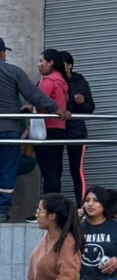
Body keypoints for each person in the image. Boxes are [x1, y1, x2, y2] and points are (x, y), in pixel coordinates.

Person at [0, 38, 67, 223]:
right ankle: (1, 211)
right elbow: (34, 95)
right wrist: (56, 109)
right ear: (2, 53)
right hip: (9, 131)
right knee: (7, 171)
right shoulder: (13, 72)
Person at [24, 50, 70, 217]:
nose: (38, 64)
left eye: (41, 61)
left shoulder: (48, 81)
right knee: (55, 171)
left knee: (48, 171)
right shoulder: (62, 82)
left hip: (45, 130)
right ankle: (56, 211)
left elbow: (41, 101)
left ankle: (47, 212)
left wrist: (32, 108)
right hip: (59, 130)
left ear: (51, 63)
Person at [59, 51, 94, 207]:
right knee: (55, 170)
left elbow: (90, 108)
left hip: (76, 131)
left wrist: (81, 101)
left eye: (61, 63)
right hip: (56, 131)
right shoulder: (53, 80)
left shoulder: (80, 81)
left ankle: (82, 207)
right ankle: (56, 207)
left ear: (69, 65)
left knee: (76, 170)